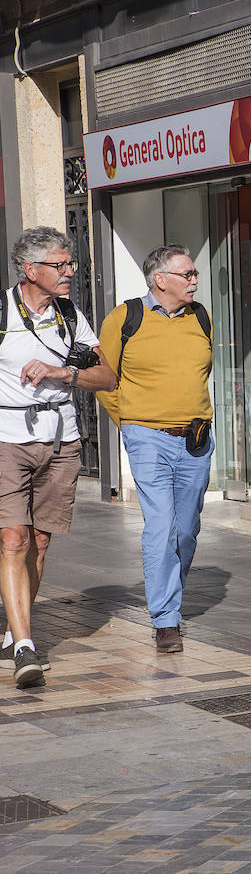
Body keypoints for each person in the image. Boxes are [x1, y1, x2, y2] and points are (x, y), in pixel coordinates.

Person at [0, 227, 115, 686]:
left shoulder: (70, 315)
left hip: (61, 441)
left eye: (70, 264)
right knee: (13, 539)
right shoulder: (3, 311)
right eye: (60, 265)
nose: (70, 272)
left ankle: (14, 626)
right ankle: (26, 645)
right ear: (31, 270)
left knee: (41, 542)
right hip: (6, 438)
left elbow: (106, 377)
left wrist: (62, 372)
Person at [96, 245, 214, 654]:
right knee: (161, 526)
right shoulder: (125, 317)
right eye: (188, 274)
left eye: (195, 273)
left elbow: (201, 372)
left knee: (186, 529)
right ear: (160, 280)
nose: (195, 280)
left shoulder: (200, 317)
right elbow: (103, 379)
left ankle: (170, 596)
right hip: (148, 437)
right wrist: (129, 421)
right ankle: (166, 618)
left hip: (196, 438)